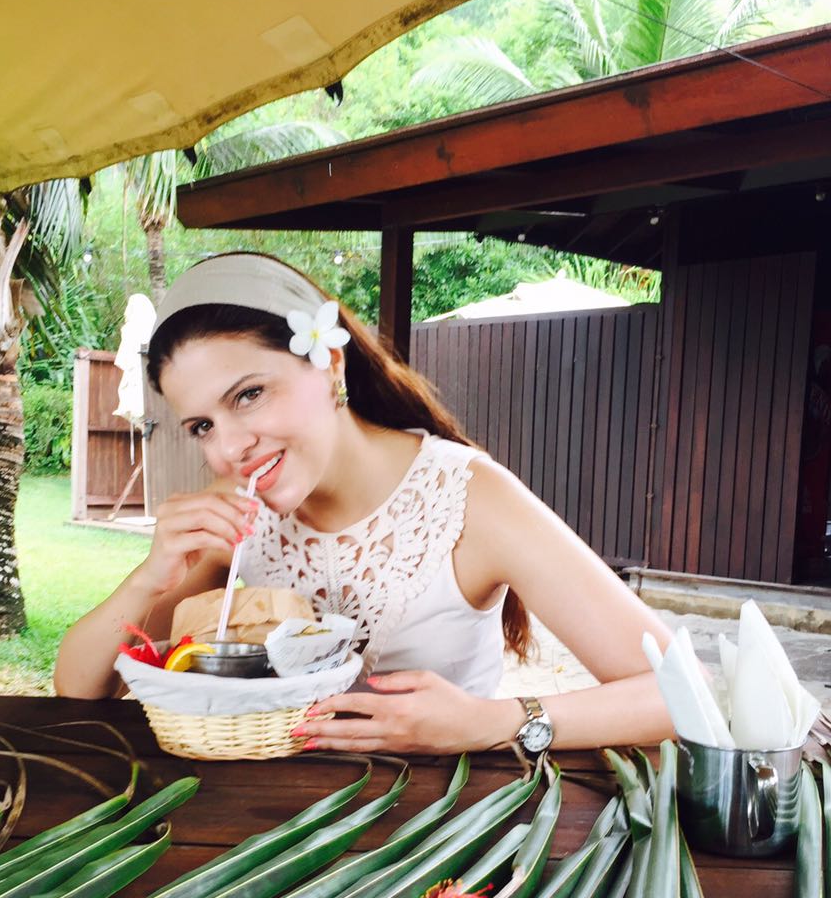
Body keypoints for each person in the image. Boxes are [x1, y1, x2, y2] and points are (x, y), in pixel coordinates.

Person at [55, 251, 674, 753]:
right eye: (202, 426)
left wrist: (494, 723)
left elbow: (677, 693)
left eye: (247, 395)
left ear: (328, 364)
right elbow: (80, 689)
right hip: (261, 834)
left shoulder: (467, 498)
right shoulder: (235, 515)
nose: (229, 450)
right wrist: (148, 579)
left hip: (435, 842)